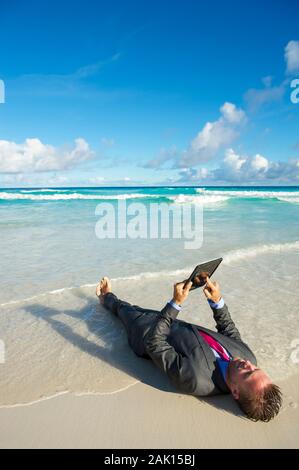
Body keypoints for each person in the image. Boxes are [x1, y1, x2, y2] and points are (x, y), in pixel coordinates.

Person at [96, 276, 282, 422]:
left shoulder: (196, 379)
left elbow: (154, 343)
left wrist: (175, 303)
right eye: (255, 369)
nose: (248, 364)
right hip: (171, 321)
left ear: (235, 392)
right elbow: (229, 331)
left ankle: (105, 297)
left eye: (248, 374)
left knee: (123, 310)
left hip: (144, 331)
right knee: (135, 307)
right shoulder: (248, 358)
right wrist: (217, 301)